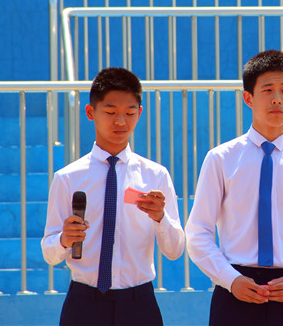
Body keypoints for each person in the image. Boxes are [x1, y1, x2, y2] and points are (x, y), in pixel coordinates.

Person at [185, 50, 283, 326]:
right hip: (235, 292)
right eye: (267, 90)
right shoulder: (221, 158)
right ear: (249, 98)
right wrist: (231, 280)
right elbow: (198, 233)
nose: (277, 98)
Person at [41, 67, 185, 326]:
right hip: (84, 303)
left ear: (140, 113)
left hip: (139, 304)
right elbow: (50, 254)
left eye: (130, 113)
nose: (120, 122)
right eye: (110, 112)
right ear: (90, 112)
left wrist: (160, 218)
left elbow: (175, 250)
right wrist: (64, 239)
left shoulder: (155, 175)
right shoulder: (67, 178)